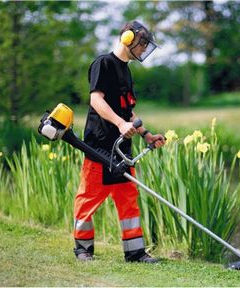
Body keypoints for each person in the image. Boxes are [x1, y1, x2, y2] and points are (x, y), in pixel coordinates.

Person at [73, 20, 165, 263]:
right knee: (88, 199)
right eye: (143, 45)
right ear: (128, 39)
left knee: (128, 201)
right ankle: (83, 249)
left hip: (123, 150)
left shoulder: (127, 70)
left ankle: (134, 253)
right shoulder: (103, 64)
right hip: (99, 147)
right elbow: (96, 100)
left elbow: (128, 111)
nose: (144, 50)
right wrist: (120, 124)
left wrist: (147, 134)